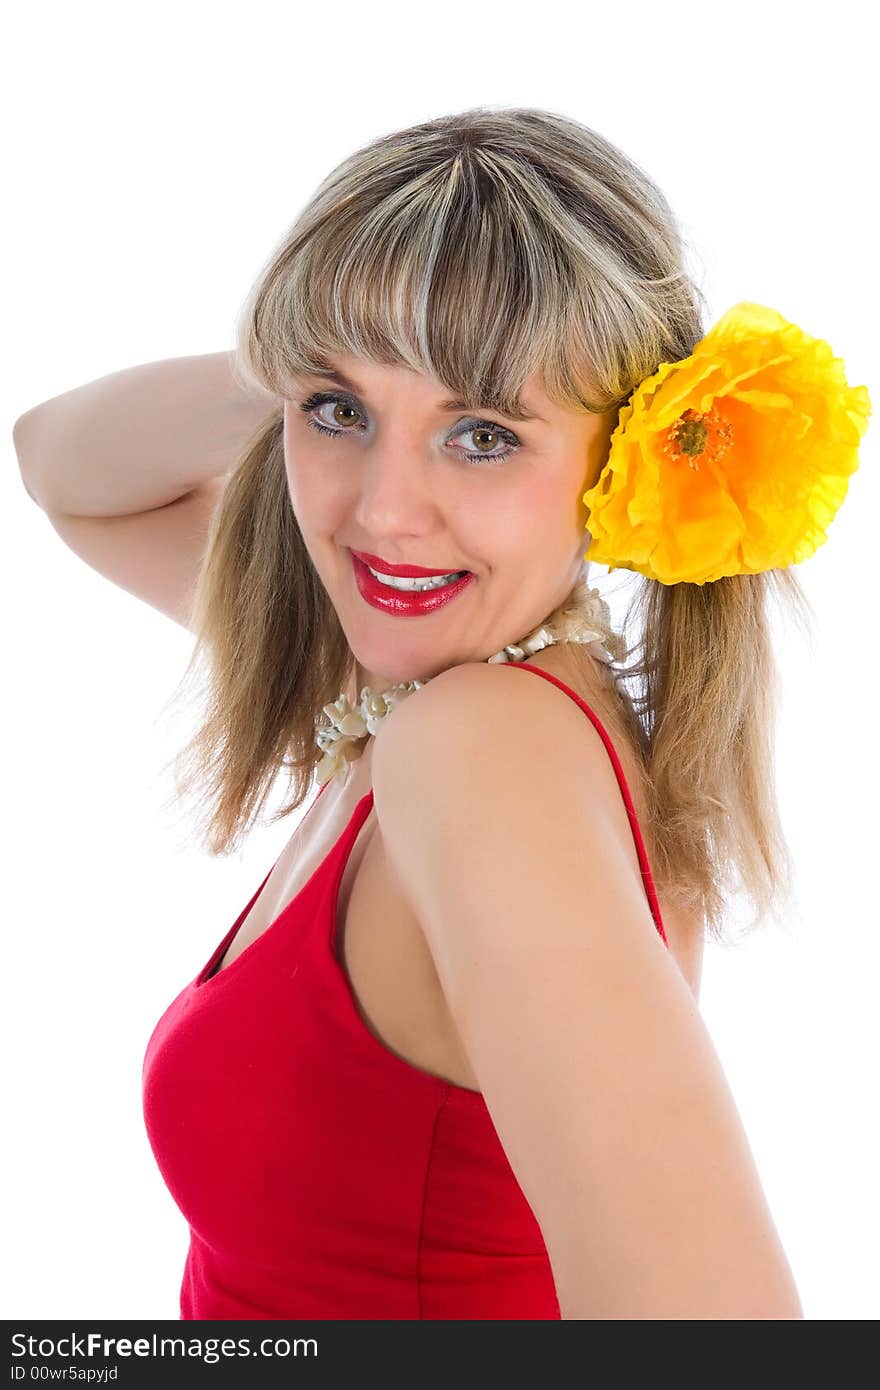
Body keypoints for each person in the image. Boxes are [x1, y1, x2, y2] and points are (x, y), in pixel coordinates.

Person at [14, 106, 870, 1321]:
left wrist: (353, 363)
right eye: (339, 415)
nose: (383, 512)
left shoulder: (479, 752)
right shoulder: (404, 690)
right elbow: (61, 466)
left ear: (623, 460)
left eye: (481, 435)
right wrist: (312, 353)